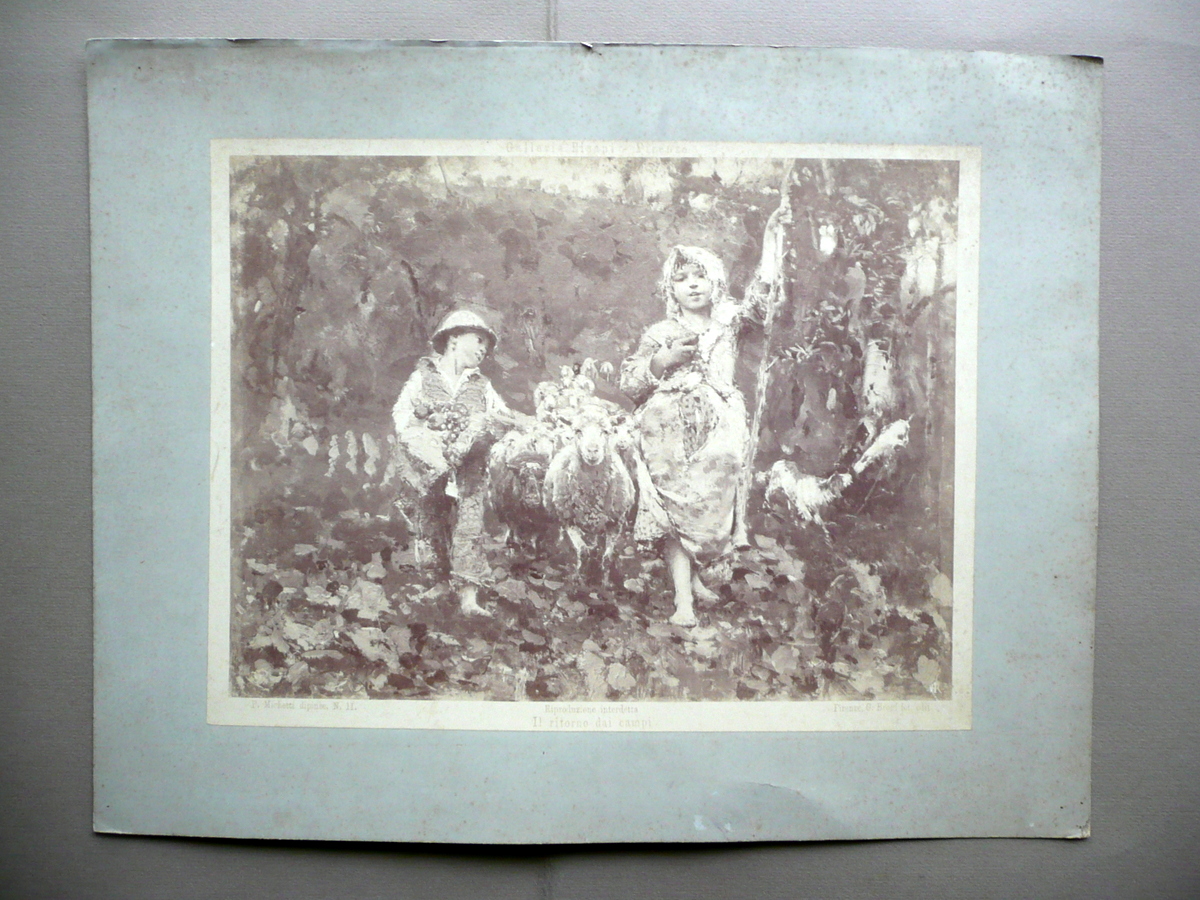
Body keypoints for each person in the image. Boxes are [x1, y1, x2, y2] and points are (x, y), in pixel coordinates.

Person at [620, 209, 789, 627]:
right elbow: (631, 382)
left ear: (715, 282)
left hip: (719, 429)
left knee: (709, 505)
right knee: (676, 508)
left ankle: (694, 581)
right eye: (682, 278)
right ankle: (683, 601)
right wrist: (662, 360)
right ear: (670, 289)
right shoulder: (659, 332)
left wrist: (771, 242)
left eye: (700, 276)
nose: (692, 284)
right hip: (668, 429)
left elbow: (762, 301)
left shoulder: (729, 324)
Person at [390, 309, 521, 616]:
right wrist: (426, 434)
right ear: (452, 339)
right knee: (431, 521)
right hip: (431, 466)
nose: (482, 350)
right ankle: (437, 581)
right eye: (477, 341)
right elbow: (401, 416)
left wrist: (483, 426)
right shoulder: (423, 377)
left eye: (485, 348)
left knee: (469, 524)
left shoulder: (481, 384)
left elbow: (502, 415)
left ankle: (468, 595)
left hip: (470, 469)